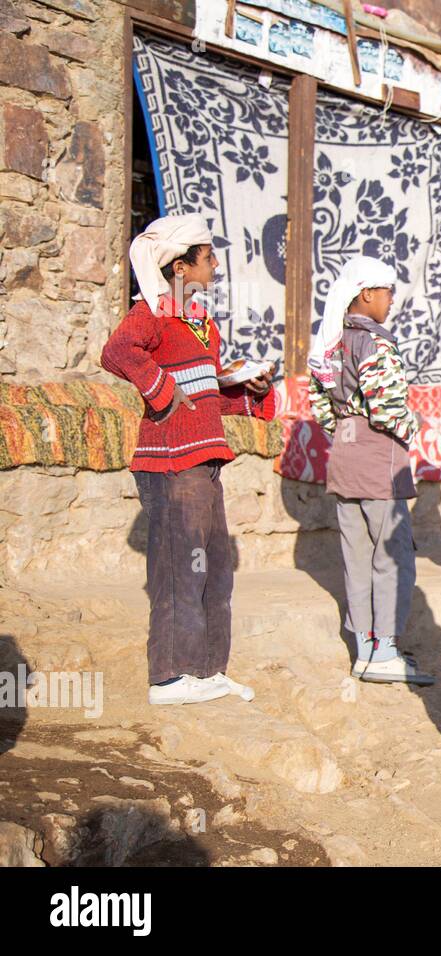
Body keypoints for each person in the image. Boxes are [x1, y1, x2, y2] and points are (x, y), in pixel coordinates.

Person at [102, 213, 275, 705]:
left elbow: (204, 396)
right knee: (179, 566)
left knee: (213, 565)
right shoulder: (151, 315)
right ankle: (170, 676)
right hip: (170, 461)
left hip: (202, 460)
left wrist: (247, 391)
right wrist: (161, 388)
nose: (216, 265)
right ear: (180, 268)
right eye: (208, 257)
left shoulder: (202, 326)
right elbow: (117, 351)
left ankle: (206, 669)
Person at [308, 256, 433, 686]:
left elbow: (320, 406)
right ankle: (386, 651)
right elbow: (386, 407)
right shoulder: (375, 343)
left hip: (344, 457)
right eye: (387, 292)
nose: (392, 300)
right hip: (380, 458)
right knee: (392, 557)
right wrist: (413, 426)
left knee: (356, 557)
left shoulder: (331, 341)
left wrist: (348, 432)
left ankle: (363, 649)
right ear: (367, 294)